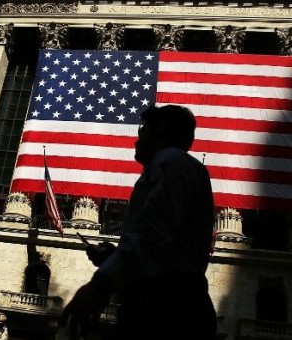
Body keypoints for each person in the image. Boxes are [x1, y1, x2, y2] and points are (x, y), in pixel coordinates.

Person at [60, 105, 217, 339]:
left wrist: (101, 283)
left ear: (160, 130)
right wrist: (113, 257)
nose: (136, 139)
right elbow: (165, 248)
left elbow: (153, 232)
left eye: (143, 129)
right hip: (172, 301)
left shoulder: (170, 160)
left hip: (166, 307)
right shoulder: (181, 166)